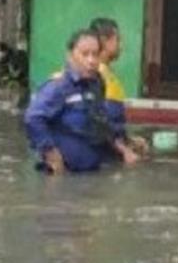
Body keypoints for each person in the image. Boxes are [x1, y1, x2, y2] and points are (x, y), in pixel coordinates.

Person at [24, 29, 140, 174]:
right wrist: (51, 154)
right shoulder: (59, 86)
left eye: (95, 54)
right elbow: (33, 118)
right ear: (71, 56)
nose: (91, 61)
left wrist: (124, 149)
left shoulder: (97, 83)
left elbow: (101, 123)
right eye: (84, 54)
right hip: (62, 178)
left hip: (90, 175)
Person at [89, 17, 150, 156]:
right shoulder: (98, 75)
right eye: (118, 40)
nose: (121, 46)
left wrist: (128, 141)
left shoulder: (108, 73)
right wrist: (123, 149)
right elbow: (100, 123)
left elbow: (112, 122)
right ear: (105, 40)